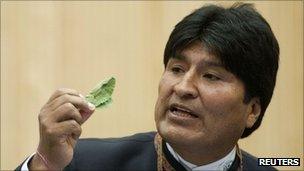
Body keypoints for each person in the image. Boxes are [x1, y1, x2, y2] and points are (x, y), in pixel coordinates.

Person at [16, 2, 279, 171]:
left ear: (253, 110)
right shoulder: (83, 162)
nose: (183, 87)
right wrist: (45, 164)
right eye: (176, 69)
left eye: (211, 76)